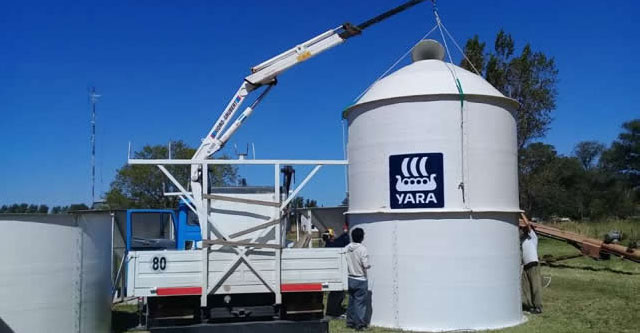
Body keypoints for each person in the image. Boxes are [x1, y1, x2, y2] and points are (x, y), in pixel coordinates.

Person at [345, 227, 371, 330]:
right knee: (360, 303)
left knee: (351, 301)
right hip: (360, 279)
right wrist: (369, 266)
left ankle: (350, 322)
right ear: (362, 237)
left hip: (350, 278)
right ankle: (360, 324)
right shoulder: (362, 249)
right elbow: (365, 265)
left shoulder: (347, 248)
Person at [325, 226, 351, 318]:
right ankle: (334, 311)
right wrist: (345, 234)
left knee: (337, 293)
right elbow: (342, 242)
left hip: (333, 272)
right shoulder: (332, 245)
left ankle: (334, 310)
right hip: (336, 273)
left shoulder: (328, 245)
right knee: (337, 293)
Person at [520, 218, 543, 314]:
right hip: (525, 266)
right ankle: (530, 306)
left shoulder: (533, 237)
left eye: (524, 229)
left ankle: (538, 306)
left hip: (533, 264)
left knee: (535, 286)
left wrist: (521, 214)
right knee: (526, 288)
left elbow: (528, 224)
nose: (523, 230)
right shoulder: (522, 240)